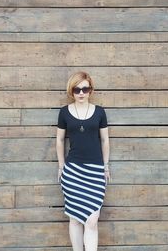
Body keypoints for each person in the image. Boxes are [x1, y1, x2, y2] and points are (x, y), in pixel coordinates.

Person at [56, 71, 111, 251]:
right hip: (73, 171)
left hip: (94, 171)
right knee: (74, 218)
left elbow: (105, 140)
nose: (81, 93)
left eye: (85, 89)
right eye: (77, 89)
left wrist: (105, 166)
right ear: (71, 91)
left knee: (92, 220)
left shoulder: (100, 112)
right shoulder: (64, 113)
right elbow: (59, 140)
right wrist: (61, 166)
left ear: (90, 90)